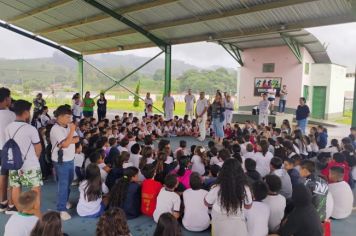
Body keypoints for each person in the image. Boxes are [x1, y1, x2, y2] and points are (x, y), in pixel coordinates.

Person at [5, 100, 42, 216]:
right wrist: (35, 159)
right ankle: (35, 214)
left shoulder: (8, 127)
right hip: (30, 164)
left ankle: (20, 212)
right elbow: (38, 148)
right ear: (26, 112)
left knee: (16, 187)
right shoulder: (31, 129)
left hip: (14, 164)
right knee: (35, 189)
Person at [205, 158, 252, 236]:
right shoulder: (245, 188)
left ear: (223, 172)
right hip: (238, 221)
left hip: (219, 220)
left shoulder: (217, 187)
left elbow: (207, 203)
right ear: (240, 172)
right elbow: (248, 205)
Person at [50, 105, 79, 220]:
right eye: (67, 117)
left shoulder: (67, 126)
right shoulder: (56, 129)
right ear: (60, 116)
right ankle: (61, 209)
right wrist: (72, 131)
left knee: (68, 183)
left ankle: (65, 201)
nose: (69, 119)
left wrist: (69, 138)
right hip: (61, 161)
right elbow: (65, 145)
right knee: (63, 184)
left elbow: (77, 139)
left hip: (70, 159)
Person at [0, 87, 16, 213]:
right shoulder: (11, 115)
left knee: (2, 175)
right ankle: (11, 205)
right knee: (12, 177)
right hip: (7, 149)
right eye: (9, 97)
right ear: (6, 99)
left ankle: (2, 202)